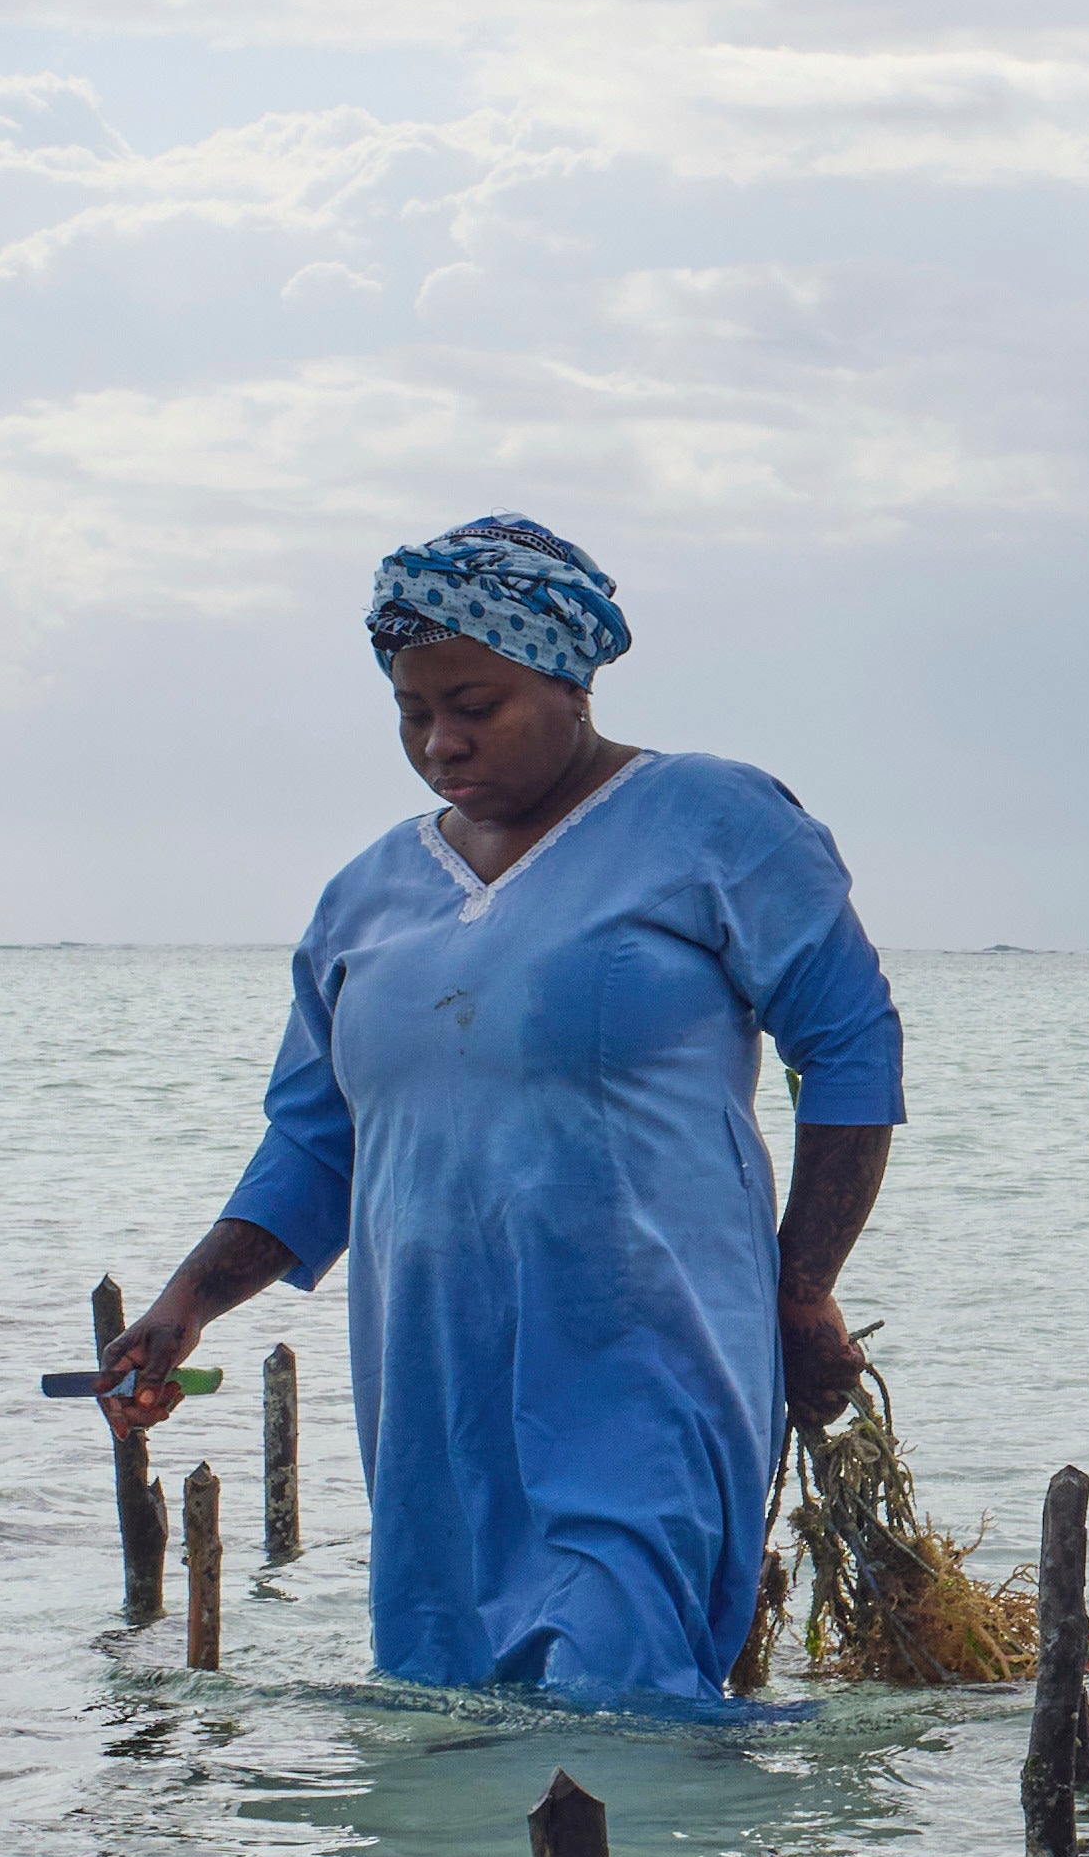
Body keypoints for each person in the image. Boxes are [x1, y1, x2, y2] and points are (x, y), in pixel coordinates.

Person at [93, 517, 904, 1702]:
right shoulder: (366, 897)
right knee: (447, 1722)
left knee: (631, 1705)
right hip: (433, 1389)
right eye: (412, 712)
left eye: (475, 703)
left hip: (646, 1358)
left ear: (568, 679)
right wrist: (189, 1304)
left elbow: (850, 1049)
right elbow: (319, 1145)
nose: (440, 742)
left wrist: (802, 1283)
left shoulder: (712, 822)